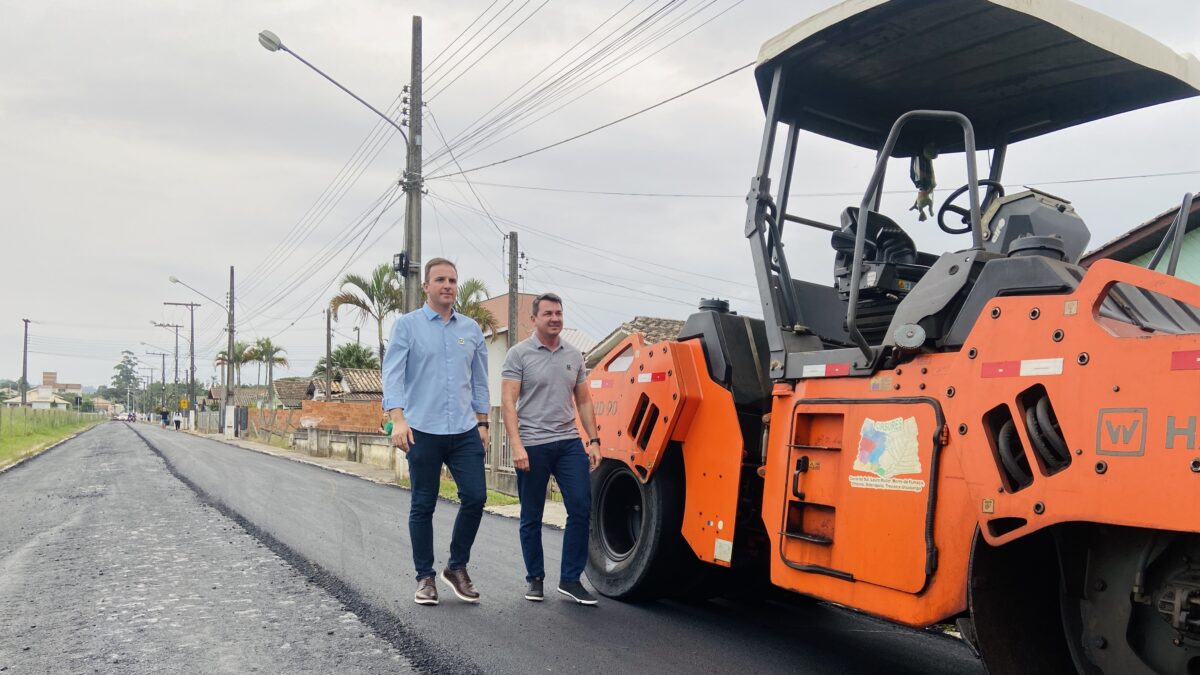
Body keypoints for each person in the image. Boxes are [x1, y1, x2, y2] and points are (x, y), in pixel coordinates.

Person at [382, 257, 490, 607]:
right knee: (423, 504)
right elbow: (393, 374)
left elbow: (479, 379)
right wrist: (398, 419)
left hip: (463, 429)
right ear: (425, 286)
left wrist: (483, 421)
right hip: (422, 429)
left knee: (475, 497)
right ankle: (424, 577)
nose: (447, 285)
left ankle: (456, 567)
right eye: (440, 279)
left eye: (453, 280)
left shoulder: (471, 329)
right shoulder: (407, 326)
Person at [501, 292, 601, 605]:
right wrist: (516, 445)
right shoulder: (519, 354)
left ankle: (570, 579)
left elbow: (583, 400)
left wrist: (594, 440)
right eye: (548, 314)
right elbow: (508, 402)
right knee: (532, 515)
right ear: (534, 319)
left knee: (581, 507)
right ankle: (535, 578)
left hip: (569, 442)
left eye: (559, 313)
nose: (555, 318)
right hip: (532, 444)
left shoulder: (574, 354)